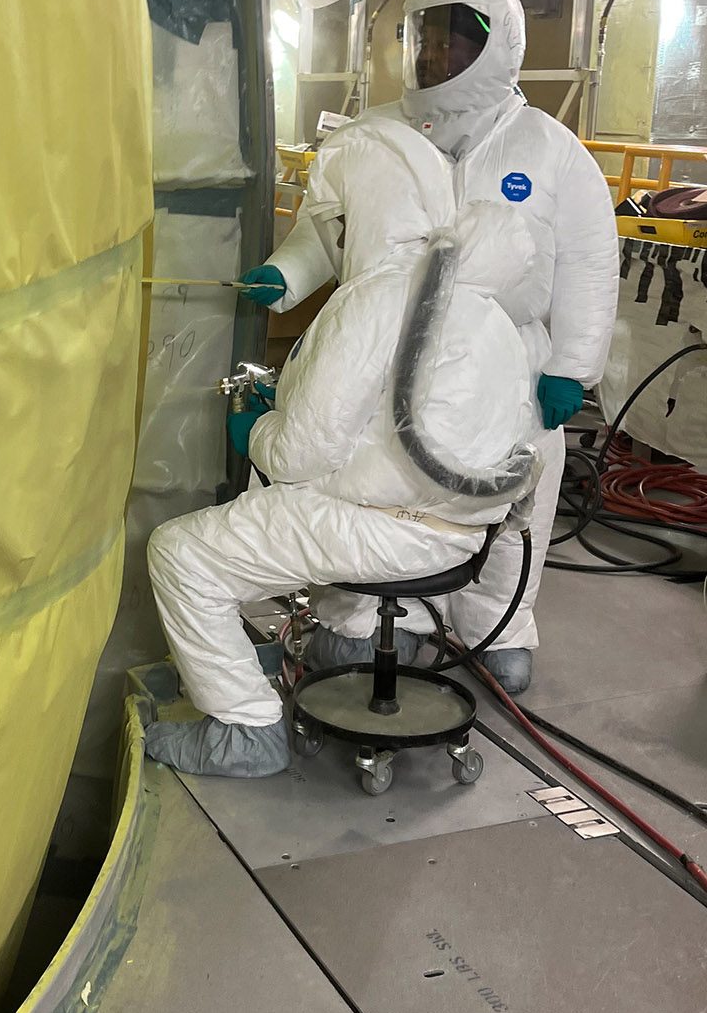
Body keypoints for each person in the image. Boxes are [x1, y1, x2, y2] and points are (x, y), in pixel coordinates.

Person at [242, 0, 618, 694]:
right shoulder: (369, 137)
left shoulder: (547, 150)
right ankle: (366, 621)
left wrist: (572, 366)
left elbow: (586, 261)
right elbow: (326, 231)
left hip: (506, 372)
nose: (437, 51)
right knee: (367, 486)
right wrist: (288, 273)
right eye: (427, 34)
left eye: (457, 35)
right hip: (382, 360)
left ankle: (498, 626)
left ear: (499, 39)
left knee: (510, 495)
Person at [143, 117, 541, 777]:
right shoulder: (480, 302)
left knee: (182, 555)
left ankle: (245, 729)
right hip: (465, 532)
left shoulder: (379, 299)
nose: (336, 243)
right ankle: (316, 652)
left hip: (391, 531)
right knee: (259, 529)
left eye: (339, 226)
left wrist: (258, 430)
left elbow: (299, 454)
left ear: (367, 213)